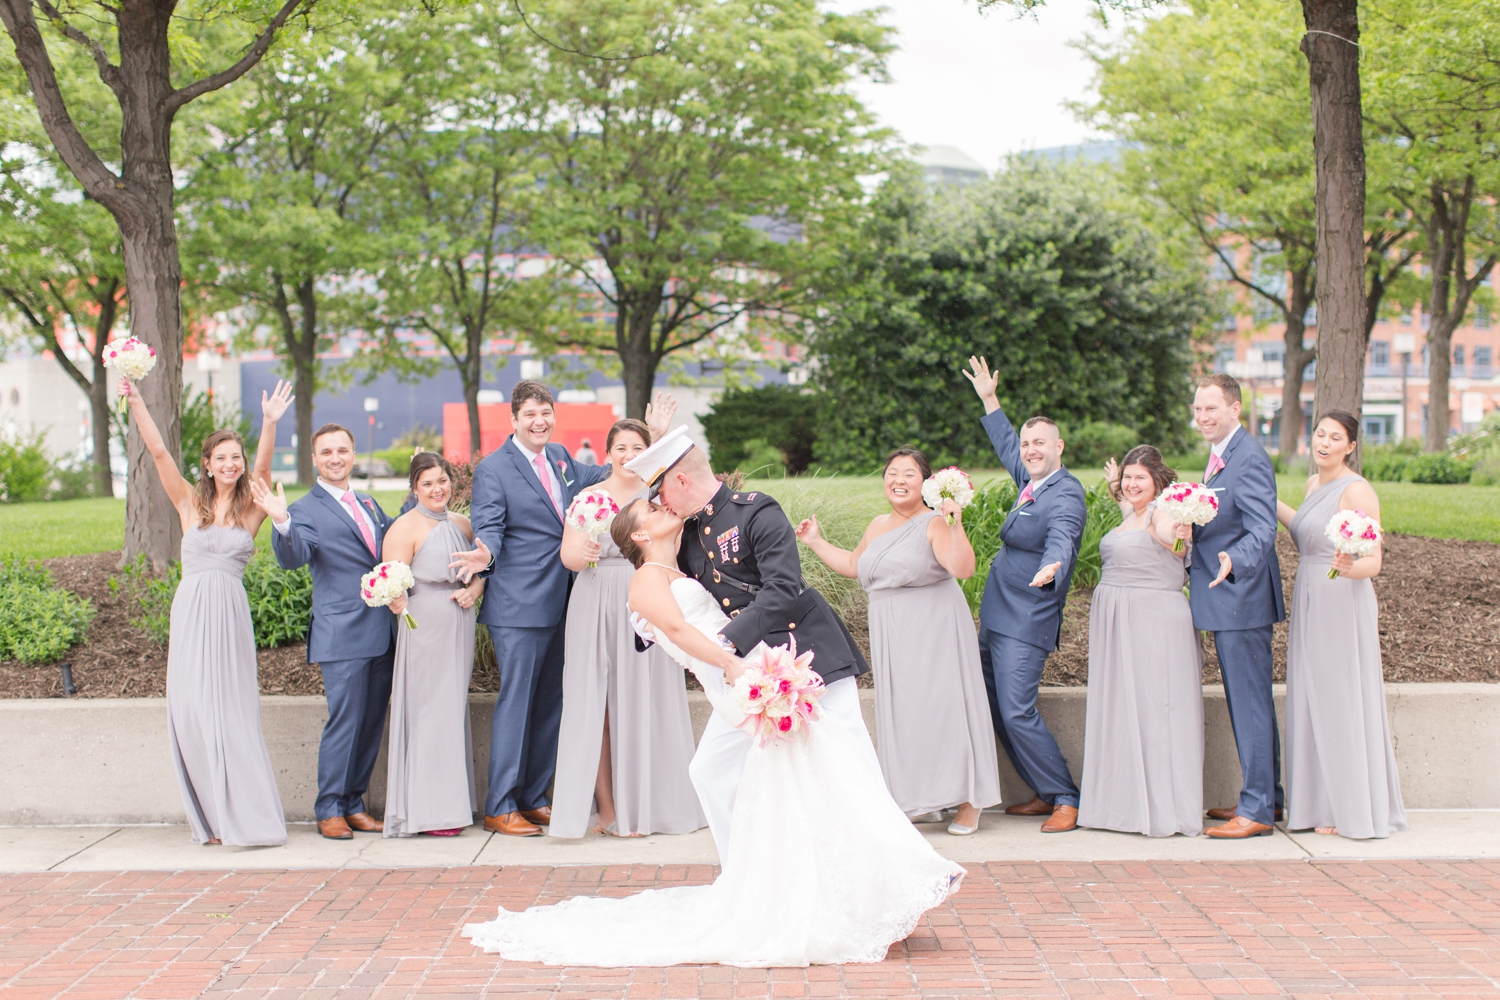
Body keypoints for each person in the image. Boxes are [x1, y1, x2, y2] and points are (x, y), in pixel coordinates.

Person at [462, 499, 964, 968]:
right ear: (639, 533)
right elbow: (680, 633)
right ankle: (847, 885)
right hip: (738, 680)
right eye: (653, 509)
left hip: (749, 673)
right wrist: (734, 666)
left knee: (798, 772)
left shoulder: (675, 566)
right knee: (809, 770)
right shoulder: (645, 580)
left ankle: (817, 882)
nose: (664, 507)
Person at [622, 427, 873, 865]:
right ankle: (746, 872)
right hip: (750, 674)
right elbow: (666, 593)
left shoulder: (754, 511)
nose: (661, 501)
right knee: (711, 771)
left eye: (661, 488)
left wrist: (725, 647)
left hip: (806, 654)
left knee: (847, 758)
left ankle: (883, 860)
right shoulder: (689, 535)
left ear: (680, 481)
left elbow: (782, 589)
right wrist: (648, 627)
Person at [122, 376, 293, 847]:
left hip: (230, 613)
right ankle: (212, 816)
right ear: (208, 464)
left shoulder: (252, 509)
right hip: (192, 611)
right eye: (221, 457)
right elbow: (158, 453)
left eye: (235, 457)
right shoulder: (188, 502)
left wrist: (269, 423)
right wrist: (137, 400)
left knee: (230, 712)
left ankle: (242, 813)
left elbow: (263, 463)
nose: (231, 463)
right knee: (192, 710)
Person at [795, 447, 1001, 836]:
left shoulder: (934, 523)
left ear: (925, 482)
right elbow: (856, 567)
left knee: (946, 707)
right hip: (893, 632)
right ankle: (924, 797)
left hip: (934, 628)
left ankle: (970, 800)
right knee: (909, 714)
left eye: (908, 473)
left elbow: (964, 569)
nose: (898, 480)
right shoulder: (877, 525)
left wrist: (955, 524)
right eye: (892, 472)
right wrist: (816, 542)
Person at [445, 381, 612, 837]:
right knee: (517, 703)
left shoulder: (559, 456)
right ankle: (500, 806)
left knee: (549, 704)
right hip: (517, 604)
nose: (540, 421)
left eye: (546, 412)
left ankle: (535, 798)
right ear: (514, 419)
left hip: (563, 598)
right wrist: (486, 557)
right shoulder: (495, 469)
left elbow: (599, 477)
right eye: (531, 414)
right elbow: (490, 526)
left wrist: (642, 449)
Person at [253, 423, 413, 840]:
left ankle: (354, 803)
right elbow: (294, 557)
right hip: (342, 633)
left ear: (353, 455)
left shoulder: (369, 503)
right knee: (345, 721)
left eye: (342, 450)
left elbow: (393, 540)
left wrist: (418, 491)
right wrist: (281, 520)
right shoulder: (304, 510)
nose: (336, 458)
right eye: (327, 452)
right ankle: (329, 808)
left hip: (382, 629)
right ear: (315, 459)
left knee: (372, 721)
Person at [551, 414, 704, 839]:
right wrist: (582, 551)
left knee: (647, 698)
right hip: (596, 598)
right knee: (595, 703)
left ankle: (653, 804)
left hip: (649, 594)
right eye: (621, 448)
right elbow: (569, 558)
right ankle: (608, 808)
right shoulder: (589, 498)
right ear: (607, 454)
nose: (629, 455)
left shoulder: (658, 494)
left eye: (638, 448)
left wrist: (661, 434)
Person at [962, 357, 1087, 833]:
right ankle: (1041, 789)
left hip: (1027, 620)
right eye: (1029, 444)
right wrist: (990, 400)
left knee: (1016, 709)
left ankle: (1065, 797)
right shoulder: (1031, 481)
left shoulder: (1065, 493)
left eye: (1041, 443)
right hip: (996, 617)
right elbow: (1007, 444)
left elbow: (1064, 535)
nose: (1031, 450)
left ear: (1060, 448)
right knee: (995, 708)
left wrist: (1054, 565)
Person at [1277, 411, 1406, 840]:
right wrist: (1266, 499)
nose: (1325, 443)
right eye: (1319, 434)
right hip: (1311, 591)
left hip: (1341, 597)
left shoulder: (1358, 491)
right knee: (1312, 694)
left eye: (1336, 438)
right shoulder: (1315, 485)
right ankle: (1315, 800)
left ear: (1350, 446)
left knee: (1339, 695)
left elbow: (1375, 561)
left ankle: (1345, 804)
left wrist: (1348, 567)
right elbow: (1306, 530)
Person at [1078, 446, 1203, 838]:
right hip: (1120, 623)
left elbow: (1172, 539)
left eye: (1140, 479)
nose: (1131, 485)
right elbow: (1126, 505)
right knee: (1125, 707)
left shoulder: (1162, 514)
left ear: (1158, 483)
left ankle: (1161, 810)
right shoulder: (1131, 511)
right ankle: (1124, 805)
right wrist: (1117, 484)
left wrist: (1180, 535)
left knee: (1154, 710)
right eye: (1128, 478)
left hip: (1152, 622)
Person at [1188, 373, 1286, 840]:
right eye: (1198, 410)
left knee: (1249, 705)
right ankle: (1268, 798)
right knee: (1250, 703)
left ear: (1235, 409)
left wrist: (1234, 559)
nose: (1203, 417)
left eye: (1211, 409)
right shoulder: (1220, 457)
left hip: (1241, 599)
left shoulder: (1247, 458)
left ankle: (1258, 809)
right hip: (1226, 599)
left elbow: (1263, 529)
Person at [379, 452, 487, 838]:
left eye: (442, 481)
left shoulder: (462, 523)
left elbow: (483, 568)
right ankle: (427, 812)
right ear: (414, 488)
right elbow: (391, 581)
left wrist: (473, 590)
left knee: (451, 709)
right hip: (423, 622)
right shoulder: (404, 528)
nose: (437, 489)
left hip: (459, 620)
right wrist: (394, 599)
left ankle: (451, 806)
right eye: (427, 483)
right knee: (428, 711)